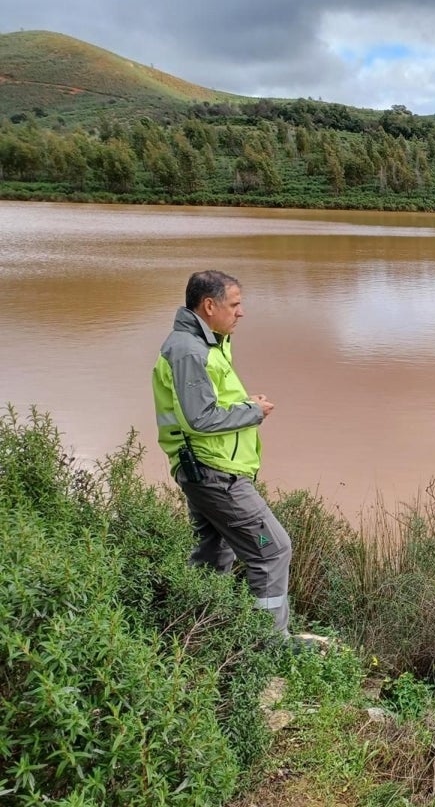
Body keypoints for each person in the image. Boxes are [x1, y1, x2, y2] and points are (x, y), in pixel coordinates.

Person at [152, 270, 292, 634]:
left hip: (208, 470)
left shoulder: (207, 342)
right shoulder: (188, 350)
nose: (241, 312)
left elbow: (204, 405)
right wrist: (253, 411)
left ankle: (195, 631)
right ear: (209, 305)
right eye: (235, 304)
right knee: (272, 550)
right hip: (214, 473)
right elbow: (200, 418)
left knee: (213, 553)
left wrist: (245, 403)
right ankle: (270, 645)